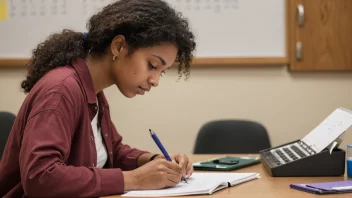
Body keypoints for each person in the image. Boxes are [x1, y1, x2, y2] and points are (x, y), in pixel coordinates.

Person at [0, 0, 196, 197]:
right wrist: (136, 179)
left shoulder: (94, 91)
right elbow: (41, 177)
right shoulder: (60, 91)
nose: (155, 81)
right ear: (119, 47)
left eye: (161, 72)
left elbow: (112, 151)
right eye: (152, 65)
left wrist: (155, 161)